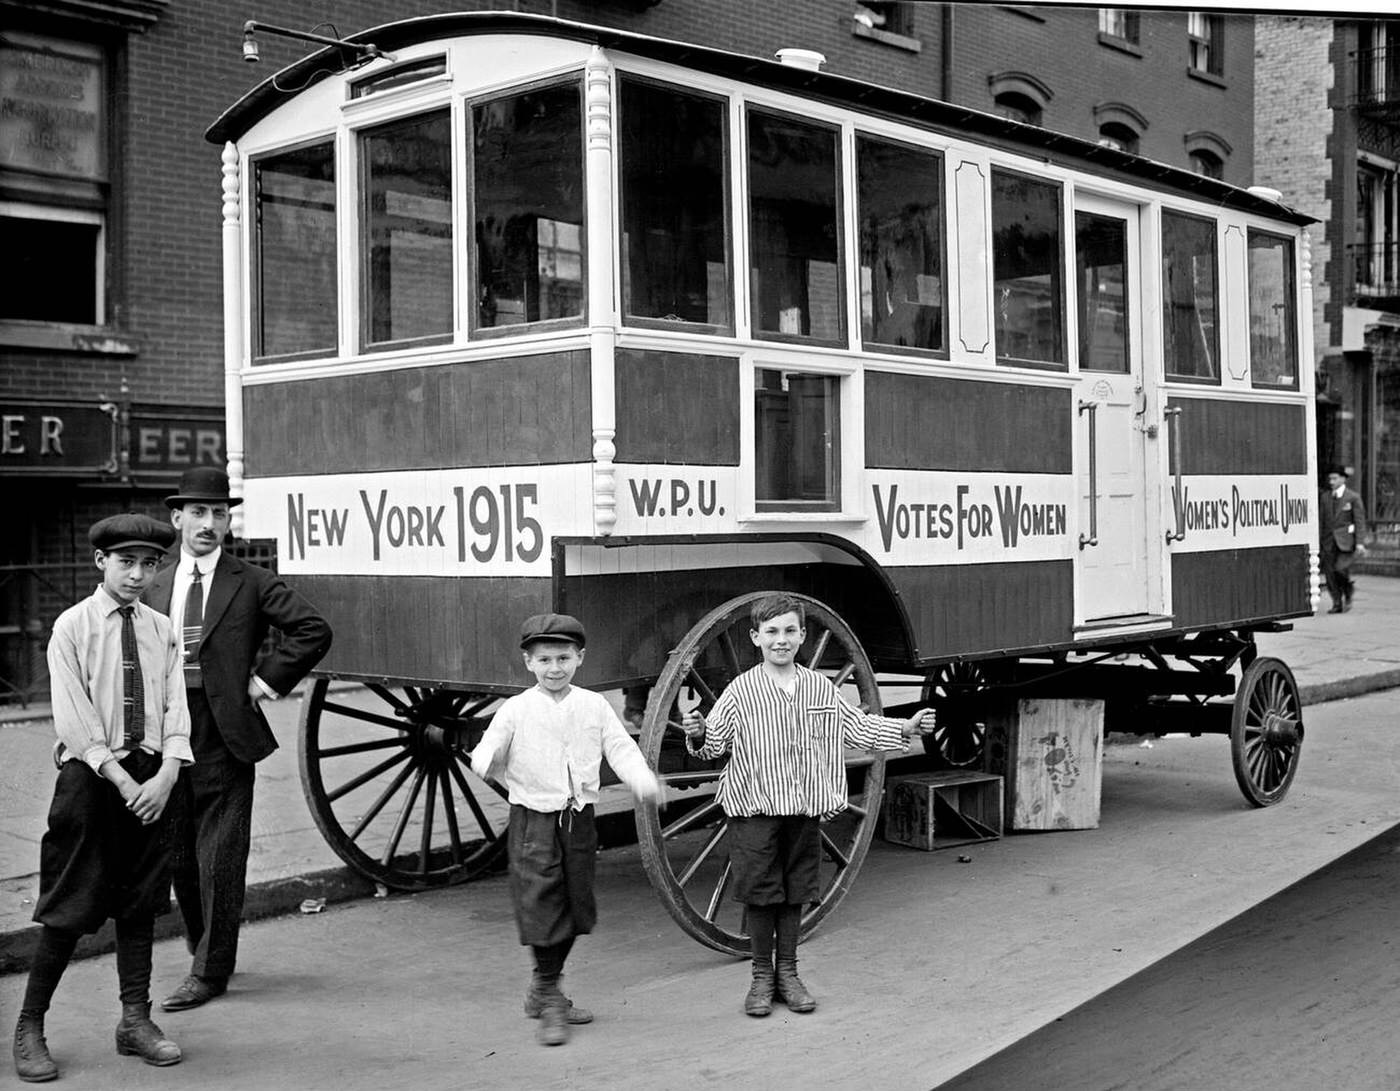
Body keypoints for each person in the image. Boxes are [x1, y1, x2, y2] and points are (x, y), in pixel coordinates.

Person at [680, 593, 935, 1018]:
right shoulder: (740, 691)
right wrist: (699, 730)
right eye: (772, 632)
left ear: (802, 635)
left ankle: (789, 974)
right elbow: (714, 746)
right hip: (754, 808)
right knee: (762, 894)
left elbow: (858, 728)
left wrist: (904, 727)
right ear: (755, 637)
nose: (781, 640)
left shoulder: (820, 688)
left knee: (795, 891)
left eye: (789, 631)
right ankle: (762, 977)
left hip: (803, 807)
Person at [13, 514, 193, 1082]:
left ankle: (134, 1022)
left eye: (149, 564)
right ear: (101, 562)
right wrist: (121, 779)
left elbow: (175, 707)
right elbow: (75, 718)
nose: (138, 575)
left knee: (140, 903)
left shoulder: (162, 629)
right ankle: (29, 1025)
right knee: (71, 905)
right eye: (126, 563)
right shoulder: (72, 627)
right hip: (94, 781)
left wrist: (167, 774)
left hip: (152, 778)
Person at [146, 466, 332, 1012]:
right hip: (165, 729)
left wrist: (262, 682)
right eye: (198, 513)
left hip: (224, 728)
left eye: (219, 514)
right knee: (179, 852)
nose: (209, 524)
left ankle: (210, 969)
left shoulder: (248, 580)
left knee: (220, 855)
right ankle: (203, 949)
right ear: (177, 518)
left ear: (229, 522)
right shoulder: (155, 581)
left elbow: (312, 629)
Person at [469, 613, 663, 1047]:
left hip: (578, 821)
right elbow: (485, 753)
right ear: (528, 663)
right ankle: (552, 996)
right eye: (544, 660)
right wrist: (492, 764)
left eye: (563, 658)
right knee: (542, 906)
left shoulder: (593, 706)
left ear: (580, 659)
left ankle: (542, 986)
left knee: (576, 907)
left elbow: (620, 748)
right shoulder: (516, 709)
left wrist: (645, 783)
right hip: (533, 823)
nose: (554, 668)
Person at [1319, 463, 1370, 614]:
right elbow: (1321, 520)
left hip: (1346, 542)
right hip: (1328, 542)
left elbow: (1360, 521)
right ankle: (1337, 602)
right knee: (1329, 574)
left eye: (1334, 478)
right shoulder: (1325, 497)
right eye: (1330, 479)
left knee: (1340, 569)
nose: (1331, 482)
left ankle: (1348, 590)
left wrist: (1360, 543)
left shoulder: (1353, 497)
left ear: (1342, 479)